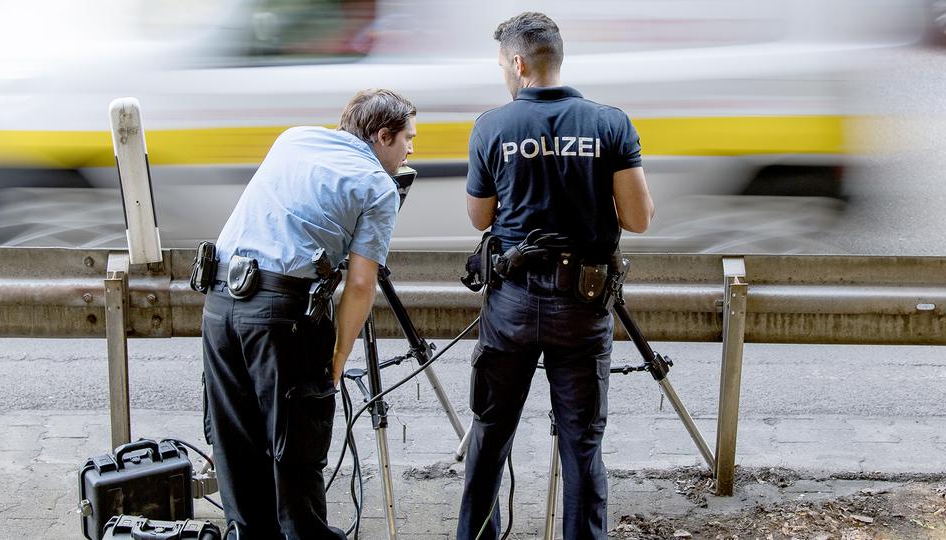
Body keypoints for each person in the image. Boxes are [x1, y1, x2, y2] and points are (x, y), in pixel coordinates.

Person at [457, 12, 654, 540]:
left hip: (512, 307)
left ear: (518, 64)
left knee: (490, 434)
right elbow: (637, 219)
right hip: (584, 307)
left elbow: (480, 218)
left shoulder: (491, 126)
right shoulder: (610, 123)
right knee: (581, 444)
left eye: (502, 64)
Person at [201, 89, 416, 539]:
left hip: (220, 301)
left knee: (235, 445)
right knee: (295, 449)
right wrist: (337, 356)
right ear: (382, 136)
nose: (411, 149)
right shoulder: (378, 186)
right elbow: (360, 285)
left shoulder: (293, 138)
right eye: (407, 139)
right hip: (282, 315)